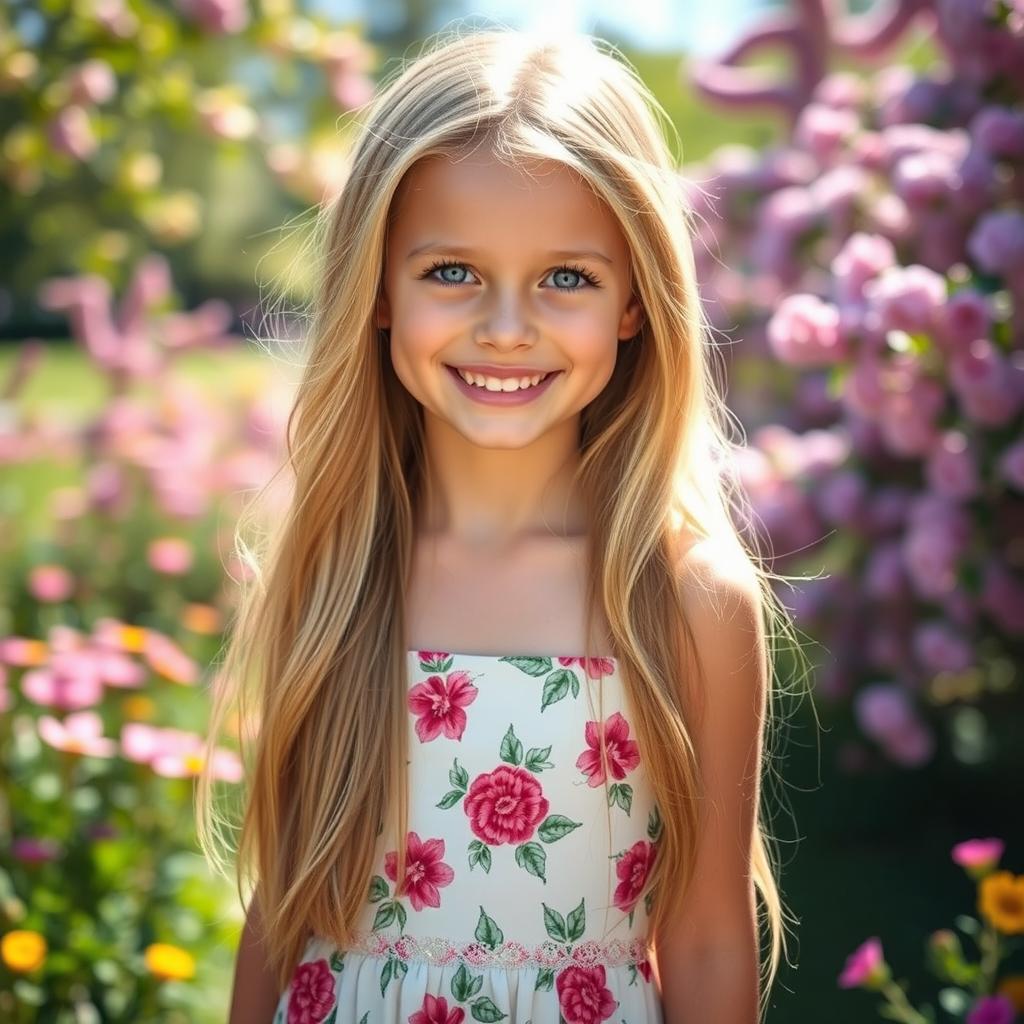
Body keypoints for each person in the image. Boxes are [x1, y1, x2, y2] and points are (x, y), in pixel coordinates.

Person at [198, 23, 810, 1024]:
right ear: (379, 287)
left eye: (566, 277)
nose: (506, 326)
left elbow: (702, 936)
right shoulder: (338, 566)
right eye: (451, 272)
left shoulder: (687, 596)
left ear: (632, 302)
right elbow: (280, 910)